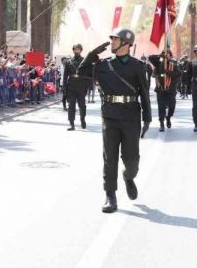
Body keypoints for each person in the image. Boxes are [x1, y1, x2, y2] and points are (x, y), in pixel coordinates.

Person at [79, 29, 151, 213]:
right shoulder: (103, 65)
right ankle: (110, 195)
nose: (111, 42)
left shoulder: (138, 66)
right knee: (110, 158)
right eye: (111, 39)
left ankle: (128, 177)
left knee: (132, 160)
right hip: (110, 116)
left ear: (126, 44)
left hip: (131, 117)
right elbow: (81, 72)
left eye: (115, 40)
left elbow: (144, 92)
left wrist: (147, 118)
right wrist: (91, 55)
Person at [148, 49, 181, 132]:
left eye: (168, 54)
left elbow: (179, 74)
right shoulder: (159, 64)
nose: (166, 56)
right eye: (164, 54)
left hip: (171, 90)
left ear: (171, 55)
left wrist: (169, 72)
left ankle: (168, 117)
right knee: (161, 107)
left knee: (172, 106)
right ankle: (161, 123)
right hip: (161, 90)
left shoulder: (173, 64)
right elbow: (150, 57)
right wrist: (160, 56)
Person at [63, 44, 92, 130]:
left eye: (78, 49)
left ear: (80, 50)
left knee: (82, 105)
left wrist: (89, 86)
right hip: (71, 86)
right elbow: (65, 76)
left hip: (81, 86)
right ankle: (72, 124)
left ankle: (82, 119)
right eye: (75, 49)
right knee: (71, 106)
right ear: (73, 50)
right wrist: (64, 87)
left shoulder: (84, 61)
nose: (76, 51)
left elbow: (89, 74)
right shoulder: (69, 61)